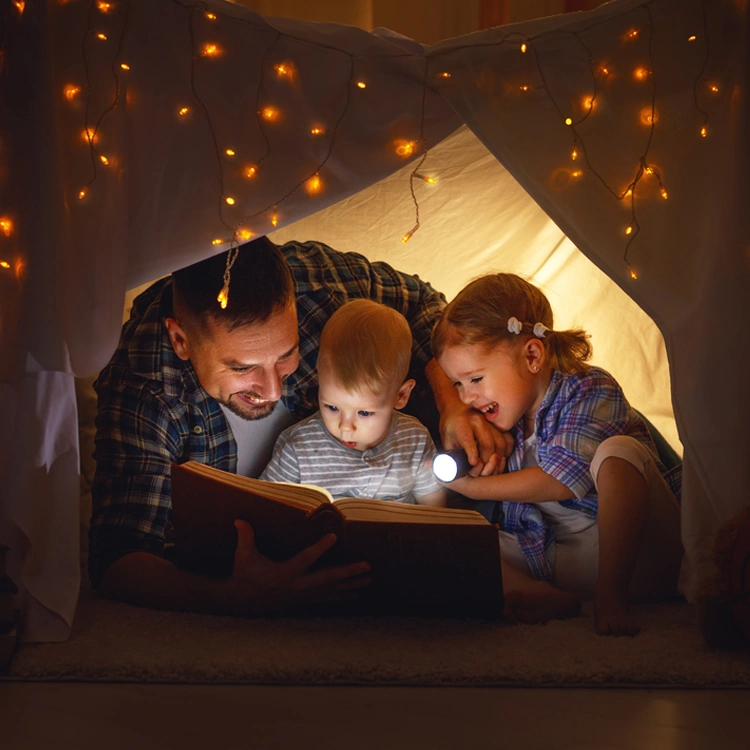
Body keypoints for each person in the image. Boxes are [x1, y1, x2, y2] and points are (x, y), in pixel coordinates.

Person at [89, 236, 503, 617]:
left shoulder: (319, 287)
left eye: (286, 356)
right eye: (243, 367)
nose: (270, 389)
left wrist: (452, 400)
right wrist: (233, 597)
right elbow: (117, 560)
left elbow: (429, 307)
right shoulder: (142, 383)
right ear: (181, 341)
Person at [431, 272, 683, 635]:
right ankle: (539, 594)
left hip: (640, 553)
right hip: (555, 557)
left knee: (619, 453)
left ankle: (611, 597)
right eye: (457, 384)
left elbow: (560, 481)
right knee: (459, 540)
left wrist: (473, 488)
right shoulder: (503, 418)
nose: (467, 397)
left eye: (475, 379)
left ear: (532, 355)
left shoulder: (589, 387)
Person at [261, 299, 447, 507]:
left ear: (401, 396)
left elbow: (433, 505)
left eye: (364, 413)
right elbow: (266, 505)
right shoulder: (297, 448)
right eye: (332, 407)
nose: (345, 427)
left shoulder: (415, 440)